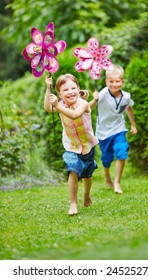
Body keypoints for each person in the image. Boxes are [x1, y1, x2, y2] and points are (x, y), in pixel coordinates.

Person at [44, 74, 98, 215]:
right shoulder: (60, 104)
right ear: (60, 94)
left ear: (78, 89)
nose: (70, 92)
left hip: (87, 145)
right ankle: (73, 203)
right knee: (73, 170)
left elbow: (75, 115)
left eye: (73, 88)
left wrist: (57, 106)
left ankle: (86, 194)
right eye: (65, 90)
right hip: (71, 145)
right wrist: (47, 88)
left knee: (87, 174)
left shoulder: (83, 104)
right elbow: (48, 108)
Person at [94, 65, 137, 194]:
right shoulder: (102, 94)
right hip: (103, 132)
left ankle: (117, 182)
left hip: (119, 129)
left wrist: (133, 125)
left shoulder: (126, 96)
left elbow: (129, 108)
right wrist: (94, 98)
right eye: (111, 81)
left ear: (122, 82)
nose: (114, 84)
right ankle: (107, 176)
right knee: (106, 158)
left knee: (121, 151)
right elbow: (90, 105)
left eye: (117, 81)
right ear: (106, 82)